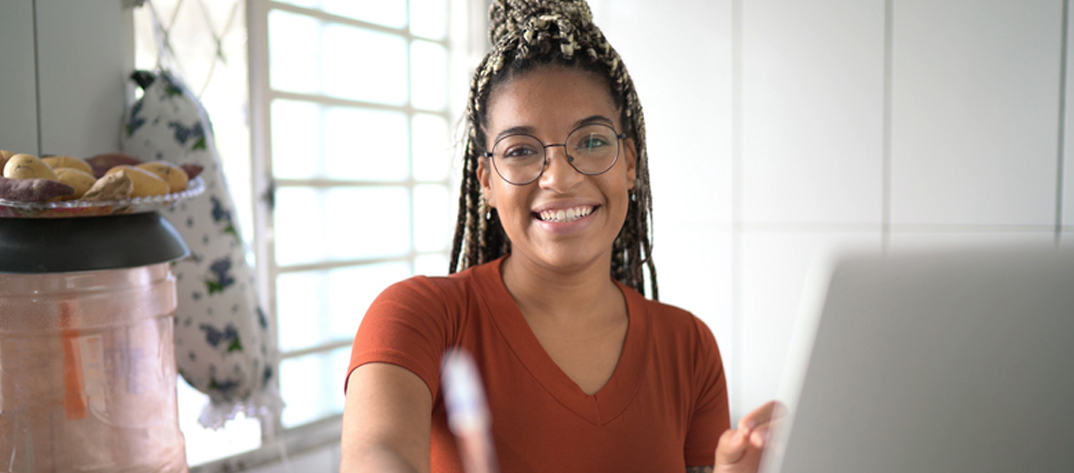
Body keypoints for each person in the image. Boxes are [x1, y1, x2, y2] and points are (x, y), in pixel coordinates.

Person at [341, 1, 777, 472]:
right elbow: (376, 455)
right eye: (522, 150)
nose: (560, 179)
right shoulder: (421, 318)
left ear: (629, 162)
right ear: (486, 181)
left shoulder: (689, 347)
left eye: (591, 141)